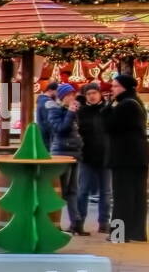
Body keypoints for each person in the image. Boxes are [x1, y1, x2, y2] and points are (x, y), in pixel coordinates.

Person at [104, 72, 149, 242]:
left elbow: (108, 125)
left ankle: (119, 234)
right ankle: (136, 232)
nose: (112, 89)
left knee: (122, 196)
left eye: (116, 86)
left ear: (124, 88)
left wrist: (108, 106)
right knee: (137, 195)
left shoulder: (125, 105)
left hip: (125, 157)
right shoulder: (135, 102)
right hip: (137, 157)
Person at [41, 82, 84, 233]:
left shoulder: (72, 110)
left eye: (73, 94)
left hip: (75, 153)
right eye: (69, 95)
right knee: (60, 190)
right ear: (63, 97)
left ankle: (76, 222)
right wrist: (71, 113)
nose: (73, 97)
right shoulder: (55, 110)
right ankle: (53, 223)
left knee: (73, 189)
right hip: (61, 153)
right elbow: (60, 129)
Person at [75, 83, 111, 235]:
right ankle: (79, 222)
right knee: (83, 191)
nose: (92, 95)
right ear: (85, 96)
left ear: (100, 93)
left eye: (94, 92)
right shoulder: (81, 112)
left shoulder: (108, 110)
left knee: (106, 192)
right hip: (86, 156)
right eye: (88, 93)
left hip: (106, 156)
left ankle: (104, 223)